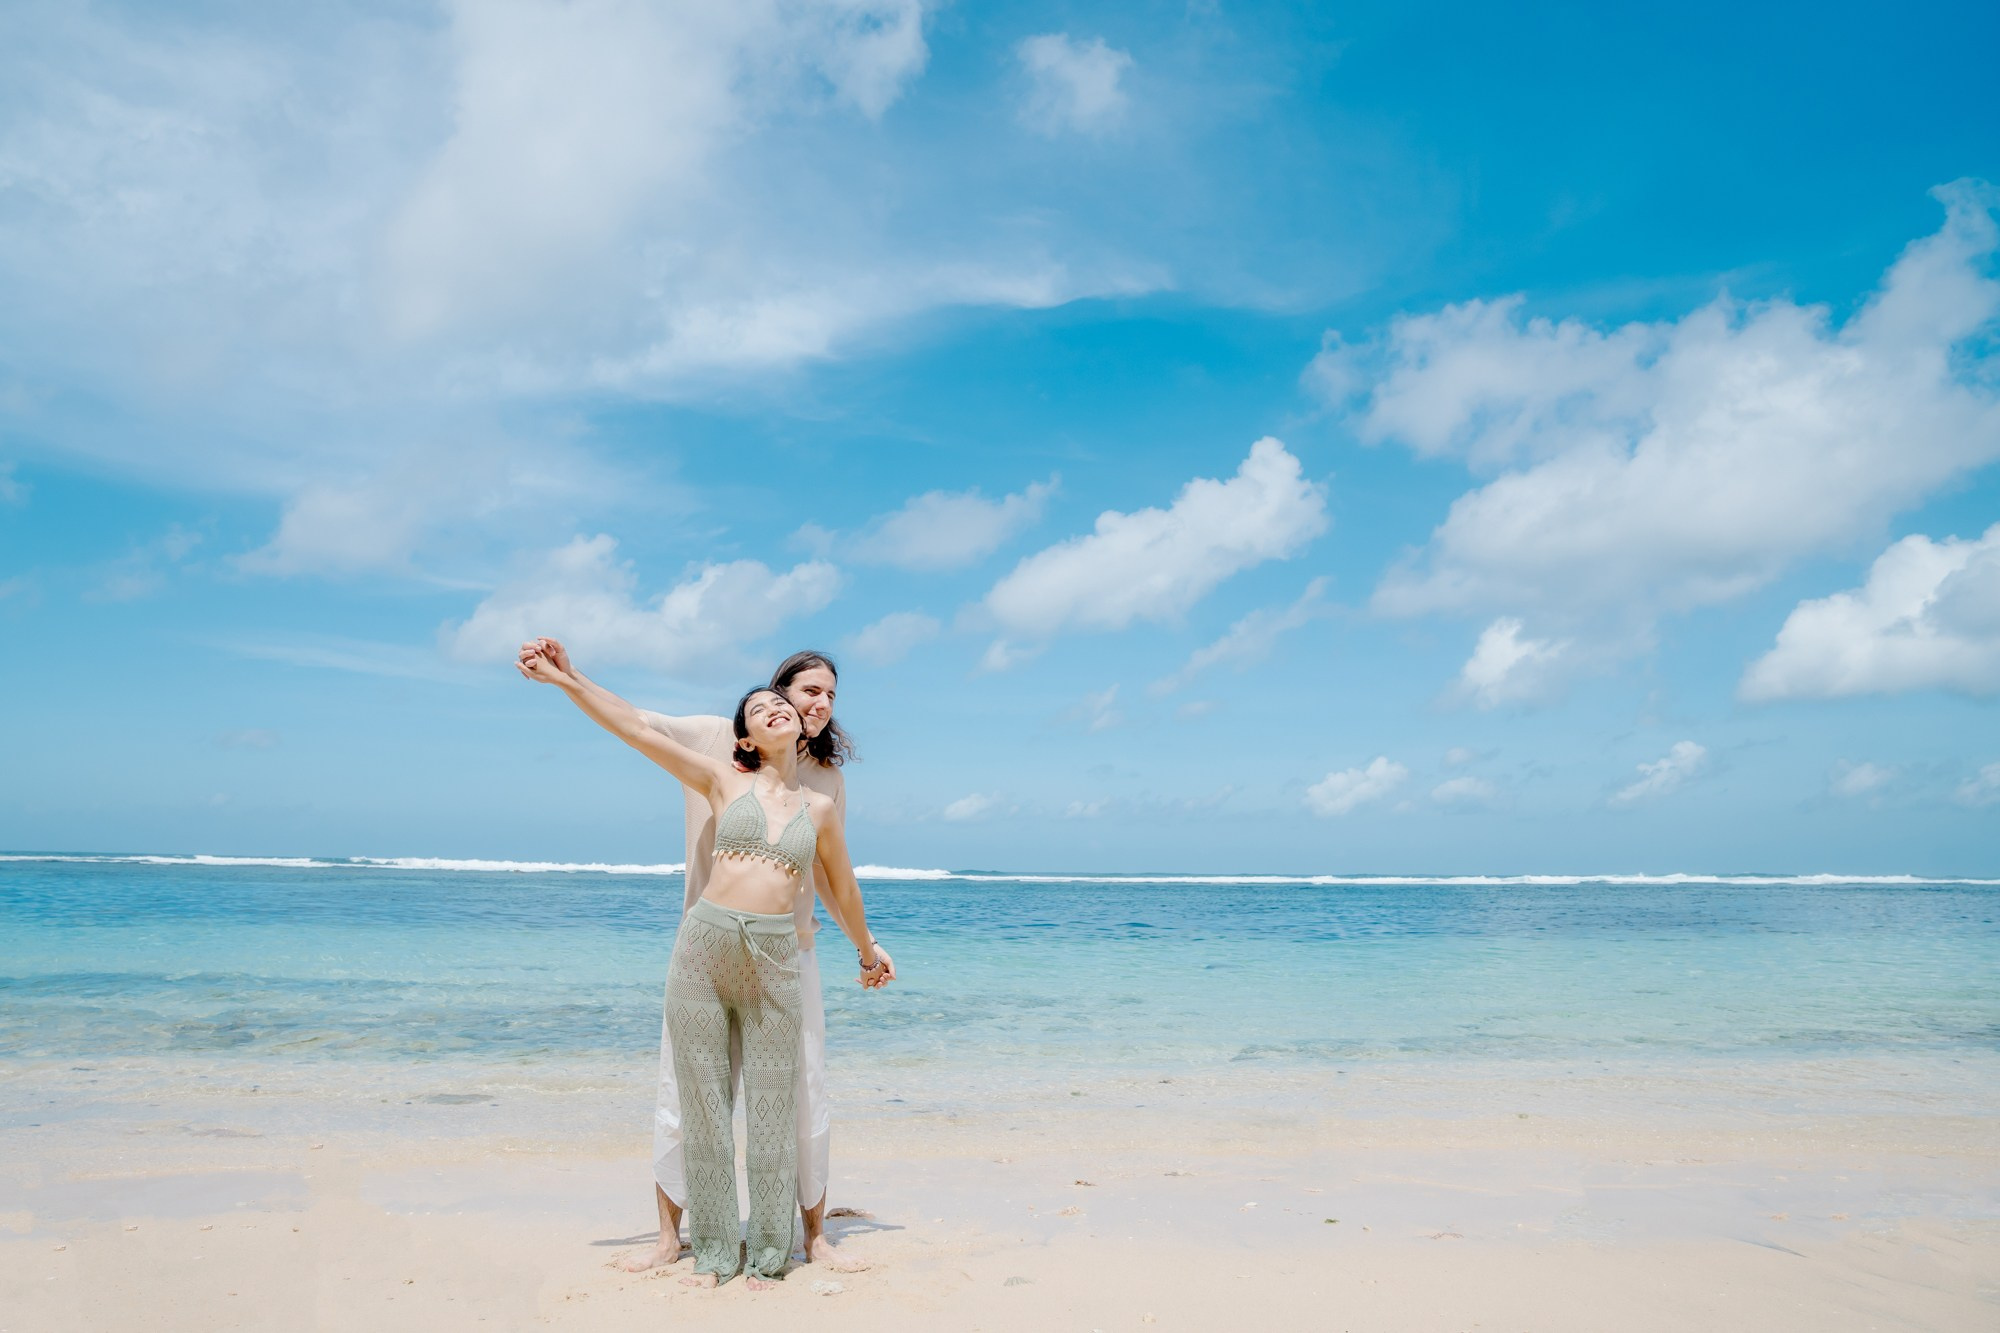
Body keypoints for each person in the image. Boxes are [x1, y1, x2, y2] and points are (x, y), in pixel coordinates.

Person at [519, 647, 890, 1287]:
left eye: (832, 694)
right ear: (771, 700)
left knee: (800, 1097)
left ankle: (811, 1237)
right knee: (687, 1094)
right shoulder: (720, 750)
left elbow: (835, 880)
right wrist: (566, 676)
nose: (821, 703)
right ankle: (673, 1237)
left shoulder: (825, 786)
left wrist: (867, 946)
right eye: (808, 690)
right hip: (706, 943)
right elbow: (637, 724)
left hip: (789, 951)